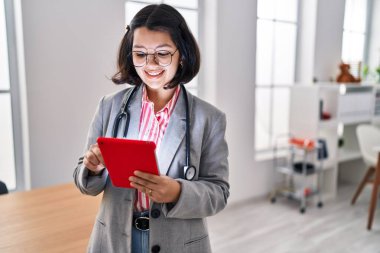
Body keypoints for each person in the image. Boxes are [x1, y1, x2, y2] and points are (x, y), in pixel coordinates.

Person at [73, 4, 229, 253]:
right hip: (115, 239)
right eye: (140, 54)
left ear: (183, 54)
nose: (150, 64)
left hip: (177, 242)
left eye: (163, 53)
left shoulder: (209, 119)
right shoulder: (109, 107)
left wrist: (177, 192)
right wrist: (92, 168)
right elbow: (84, 181)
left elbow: (219, 193)